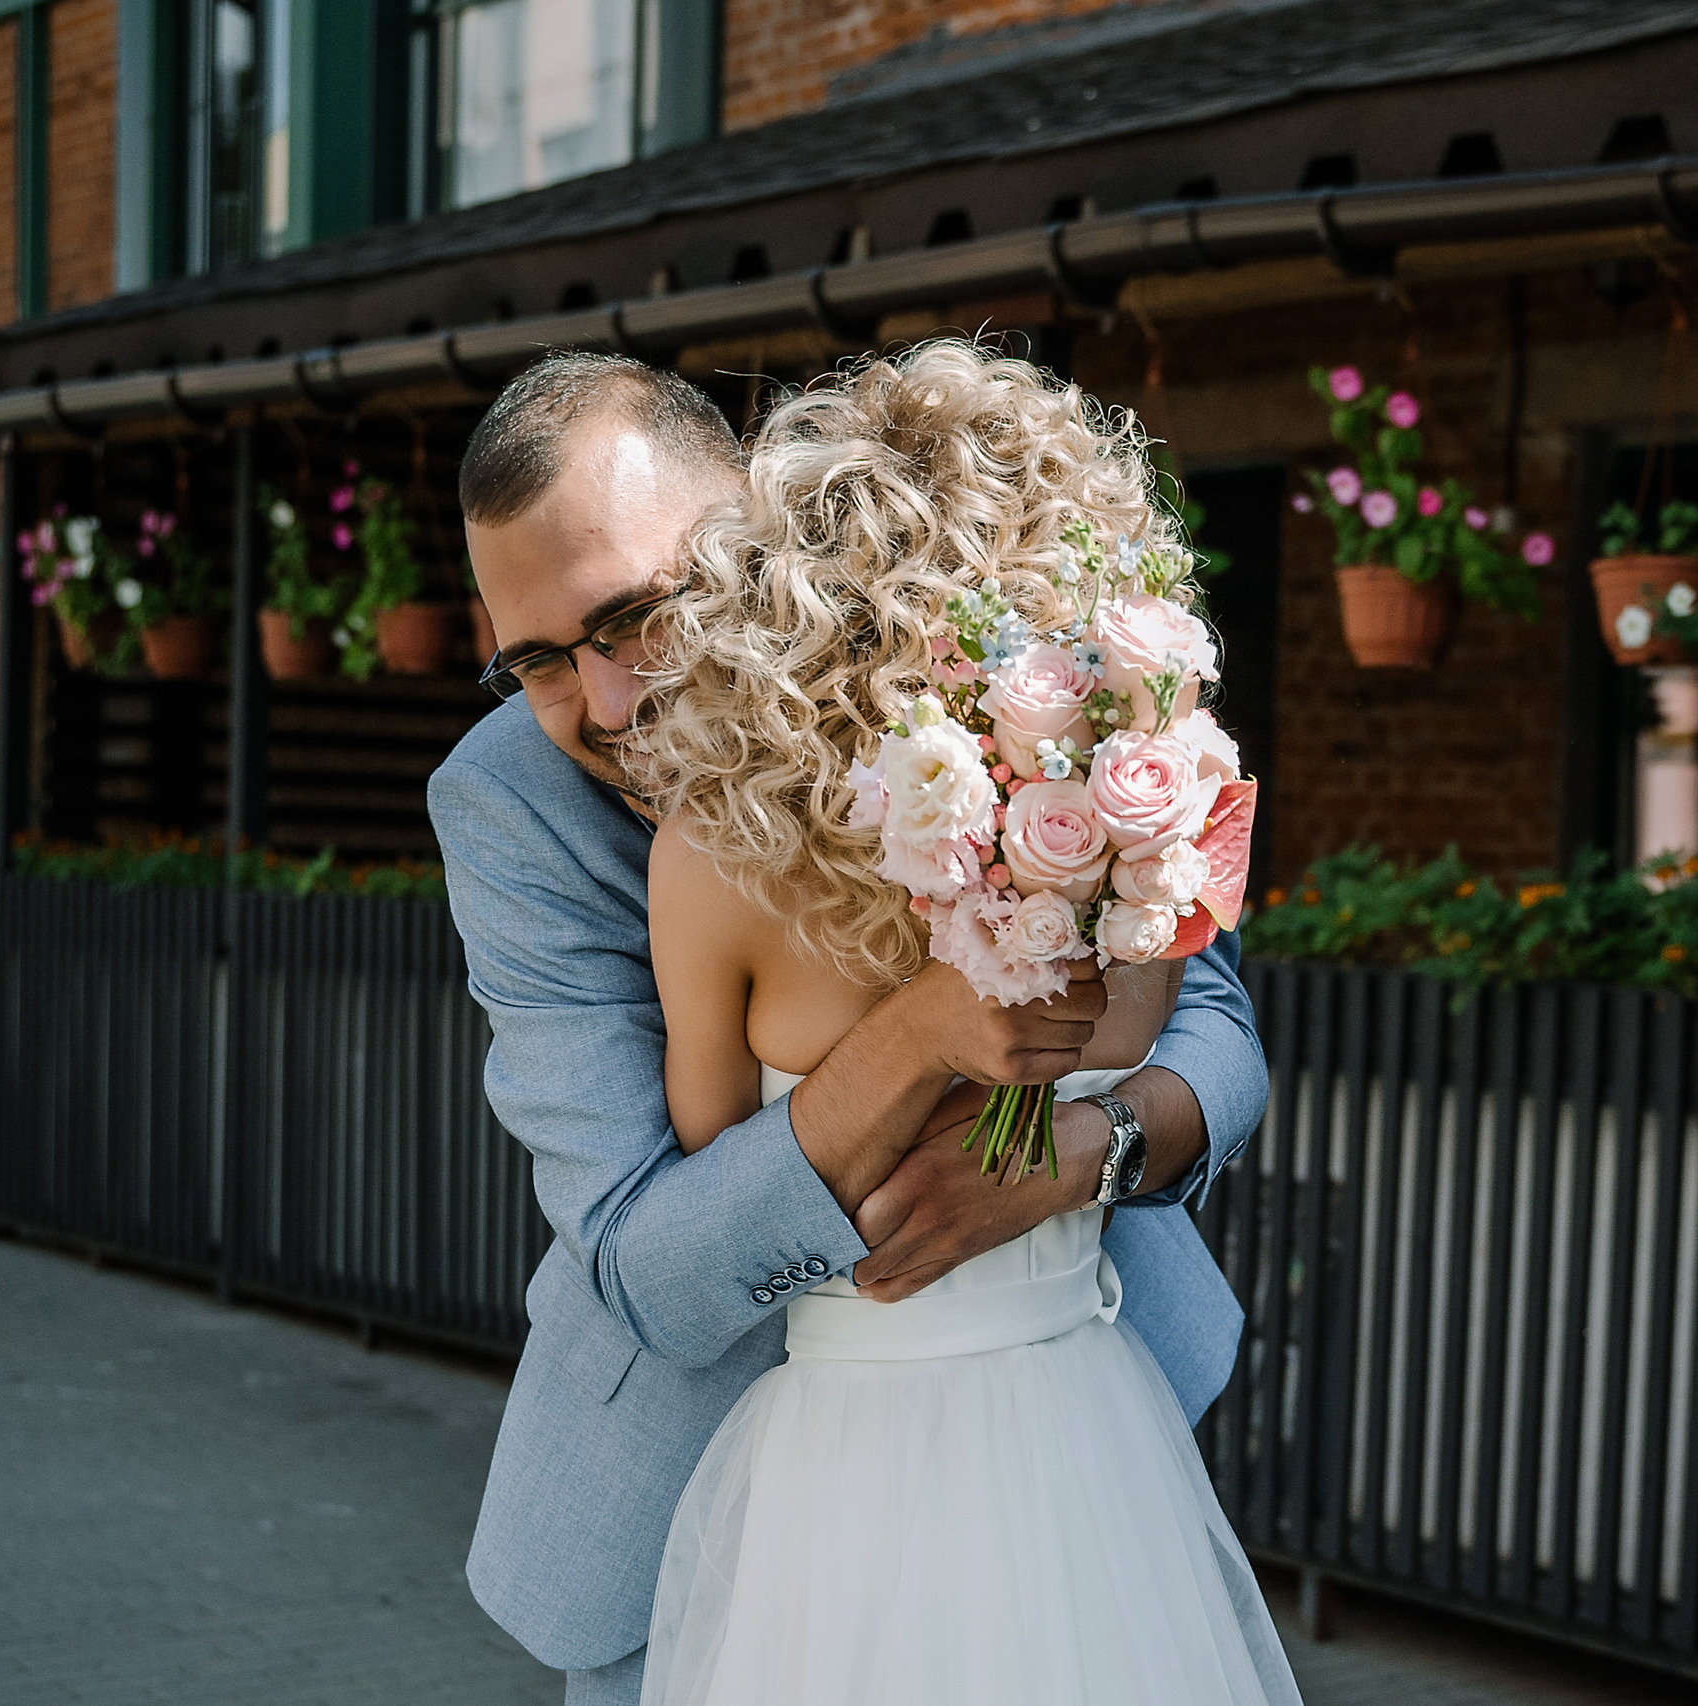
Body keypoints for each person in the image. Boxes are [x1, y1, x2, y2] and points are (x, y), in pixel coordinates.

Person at [429, 350, 1267, 1705]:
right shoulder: (505, 806)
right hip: (686, 1516)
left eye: (640, 615)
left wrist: (1088, 1149)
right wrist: (930, 1028)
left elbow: (1215, 1021)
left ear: (754, 513)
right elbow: (651, 1258)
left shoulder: (984, 680)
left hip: (1065, 1444)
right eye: (535, 662)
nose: (612, 704)